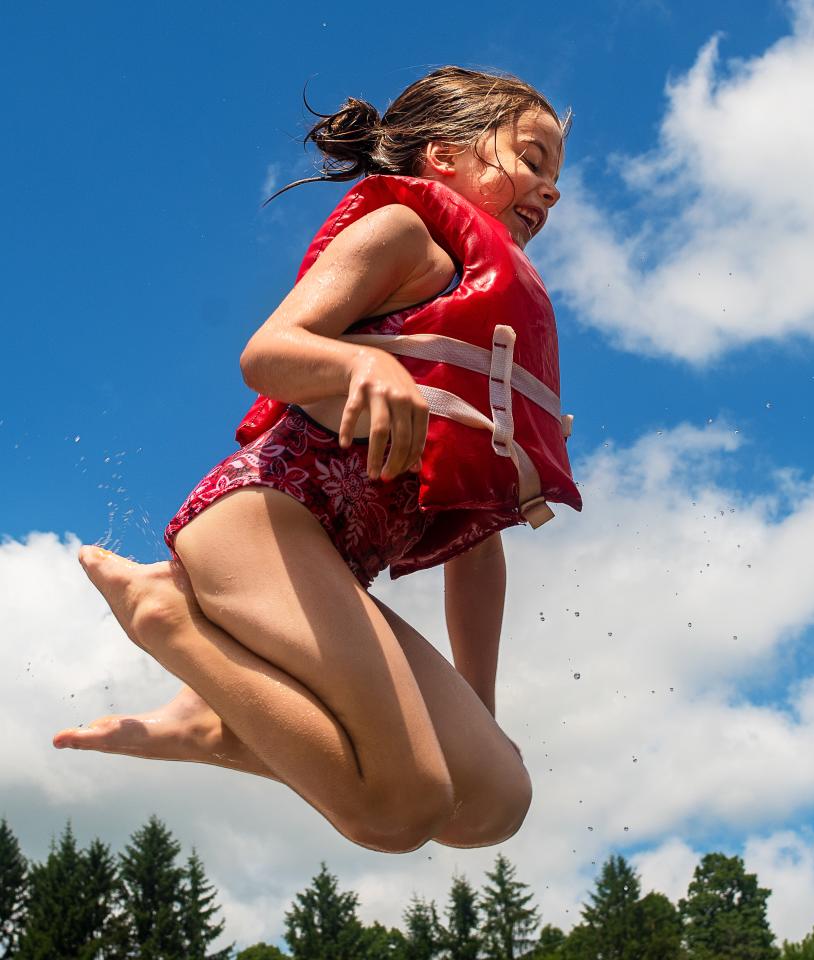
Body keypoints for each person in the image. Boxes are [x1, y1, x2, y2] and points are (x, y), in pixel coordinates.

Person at [52, 66, 581, 853]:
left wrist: (474, 712)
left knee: (492, 800)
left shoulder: (497, 338)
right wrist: (360, 366)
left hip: (334, 569)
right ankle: (167, 617)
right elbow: (269, 352)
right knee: (400, 810)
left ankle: (219, 728)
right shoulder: (404, 237)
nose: (552, 189)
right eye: (532, 159)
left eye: (557, 175)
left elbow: (477, 546)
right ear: (441, 156)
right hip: (262, 524)